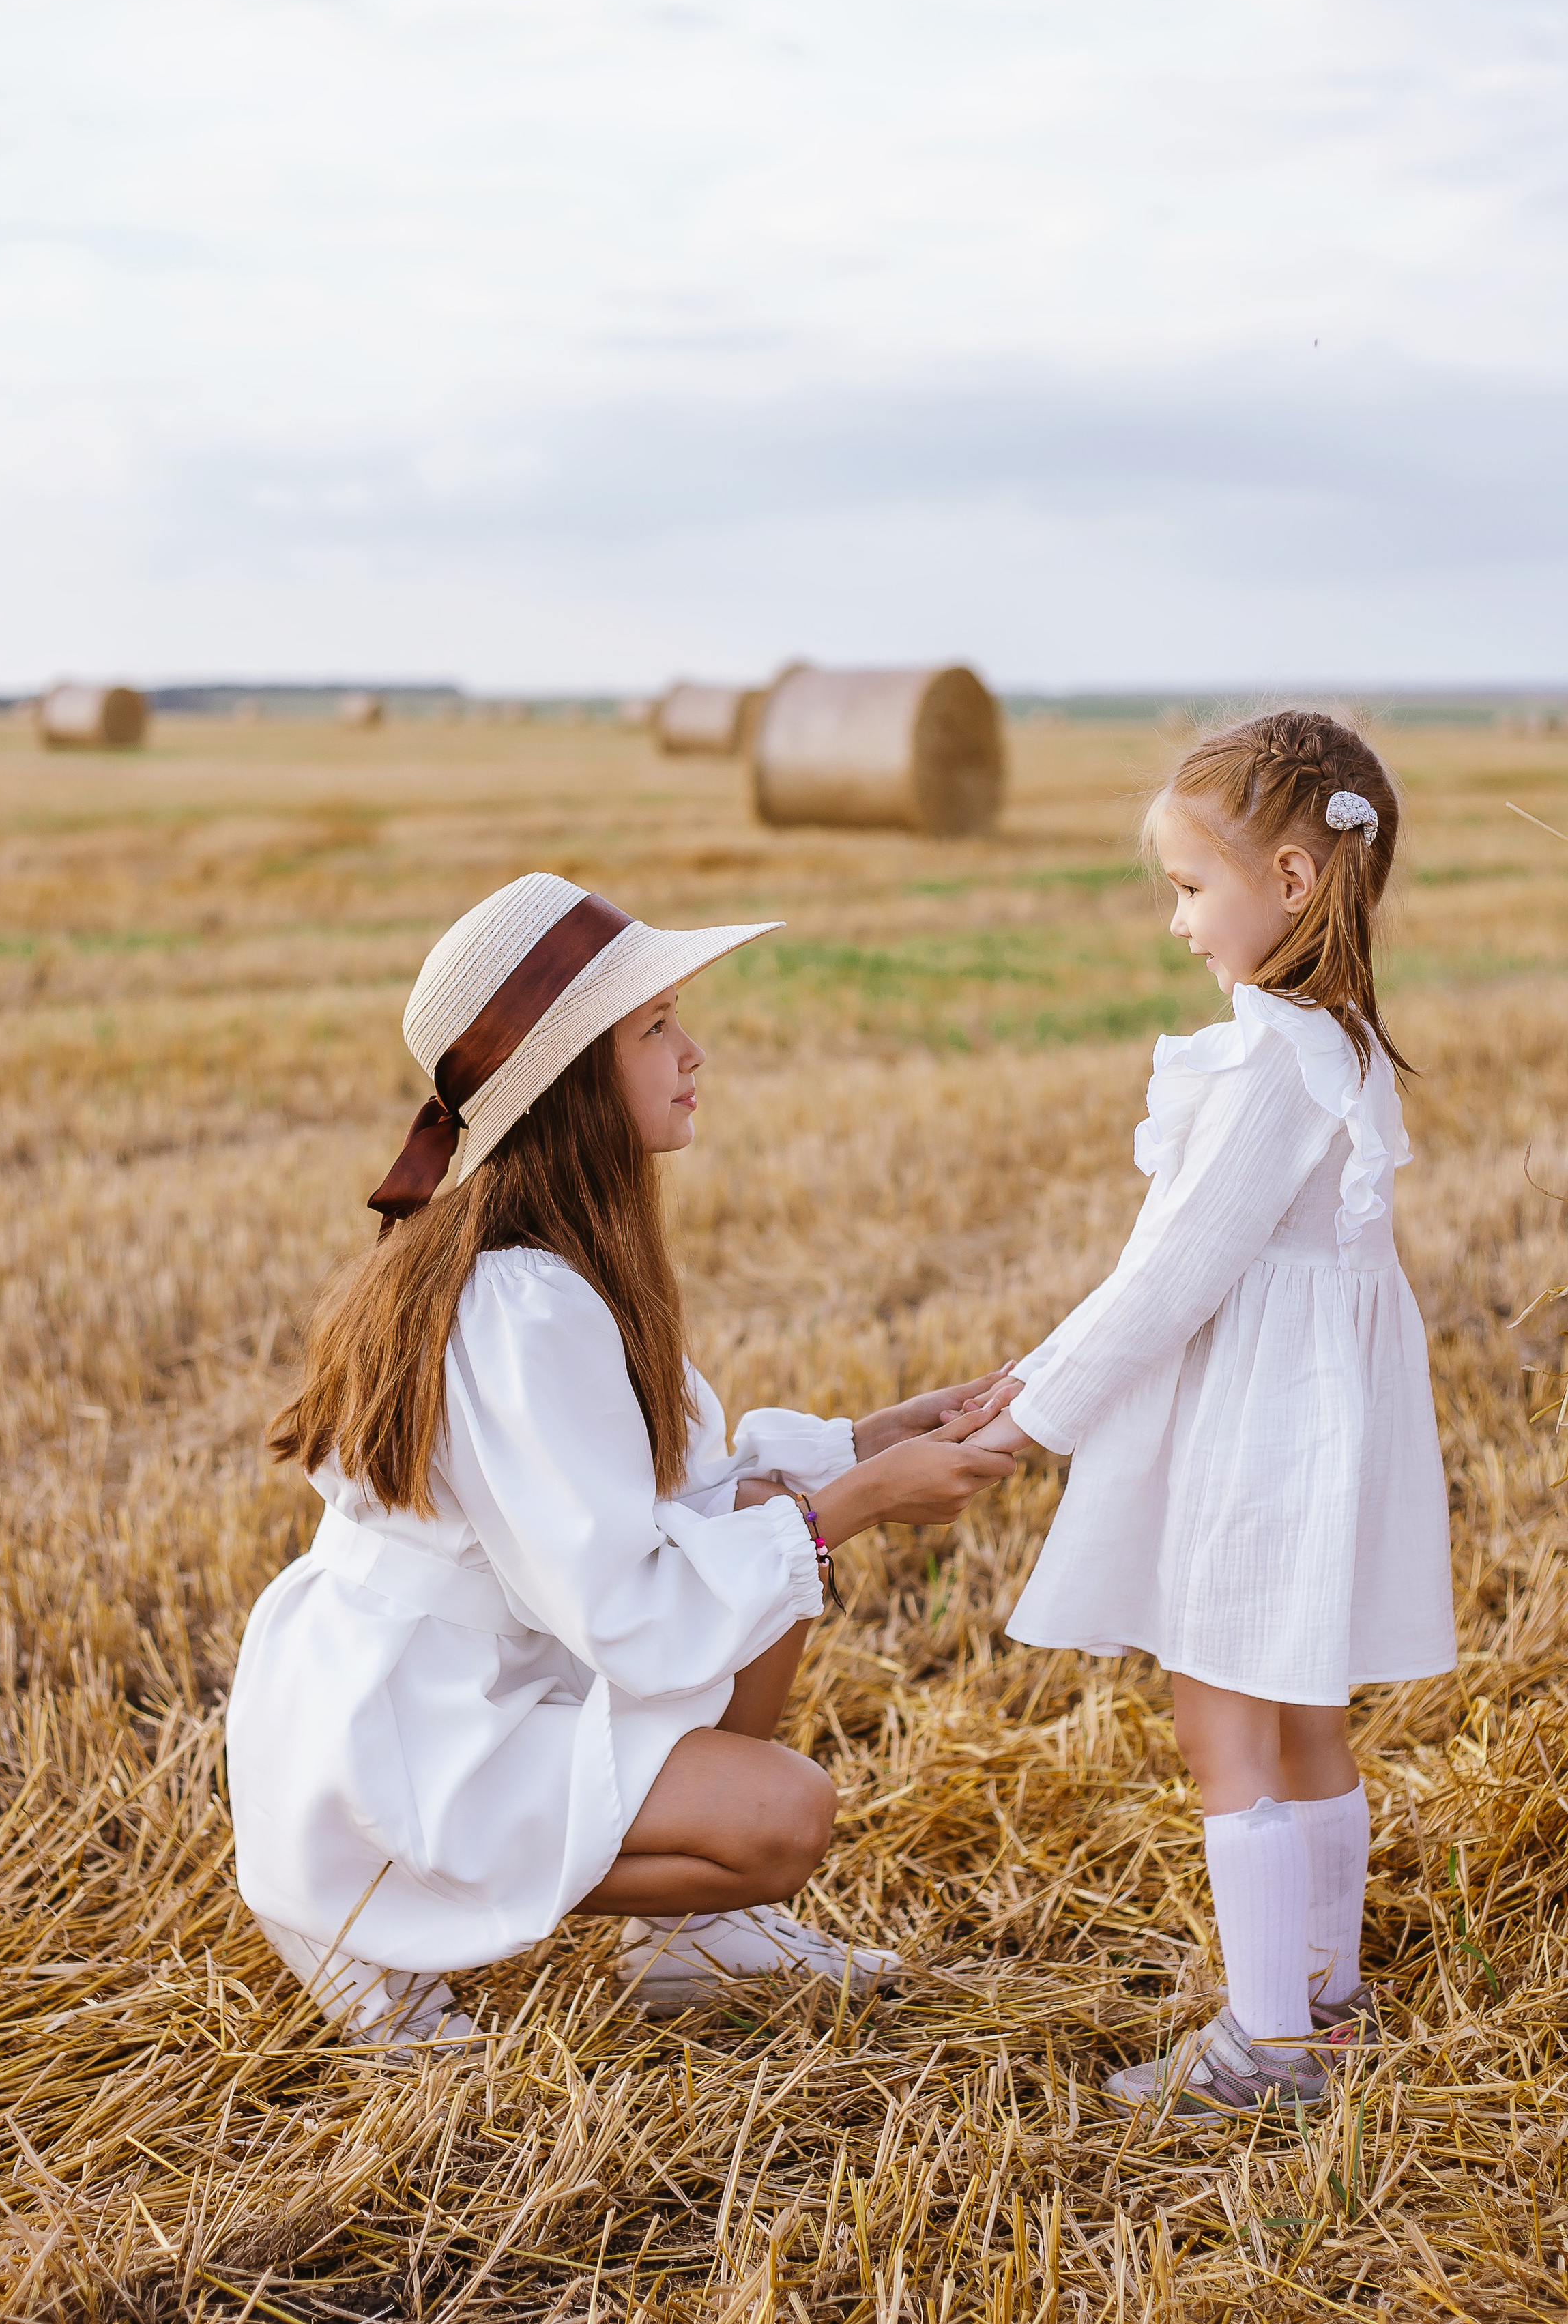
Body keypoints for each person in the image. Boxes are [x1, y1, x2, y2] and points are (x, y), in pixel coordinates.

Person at [227, 872, 1018, 2049]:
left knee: (763, 1508)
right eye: (656, 1030)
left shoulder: (560, 1261)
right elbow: (632, 1612)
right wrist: (852, 1507)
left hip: (491, 1671)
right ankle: (374, 1908)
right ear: (570, 1083)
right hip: (406, 1733)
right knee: (784, 1821)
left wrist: (860, 1445)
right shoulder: (522, 1300)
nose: (693, 1053)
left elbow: (691, 1491)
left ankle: (692, 1943)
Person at [970, 713, 1455, 2119]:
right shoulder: (1335, 1043)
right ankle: (1320, 1995)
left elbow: (1168, 1275)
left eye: (1190, 888)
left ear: (1293, 880)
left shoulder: (1262, 1073)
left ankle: (1265, 2046)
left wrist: (1031, 1418)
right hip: (1318, 1412)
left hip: (1261, 1428)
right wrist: (1027, 1372)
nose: (1175, 921)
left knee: (1220, 1727)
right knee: (1303, 1719)